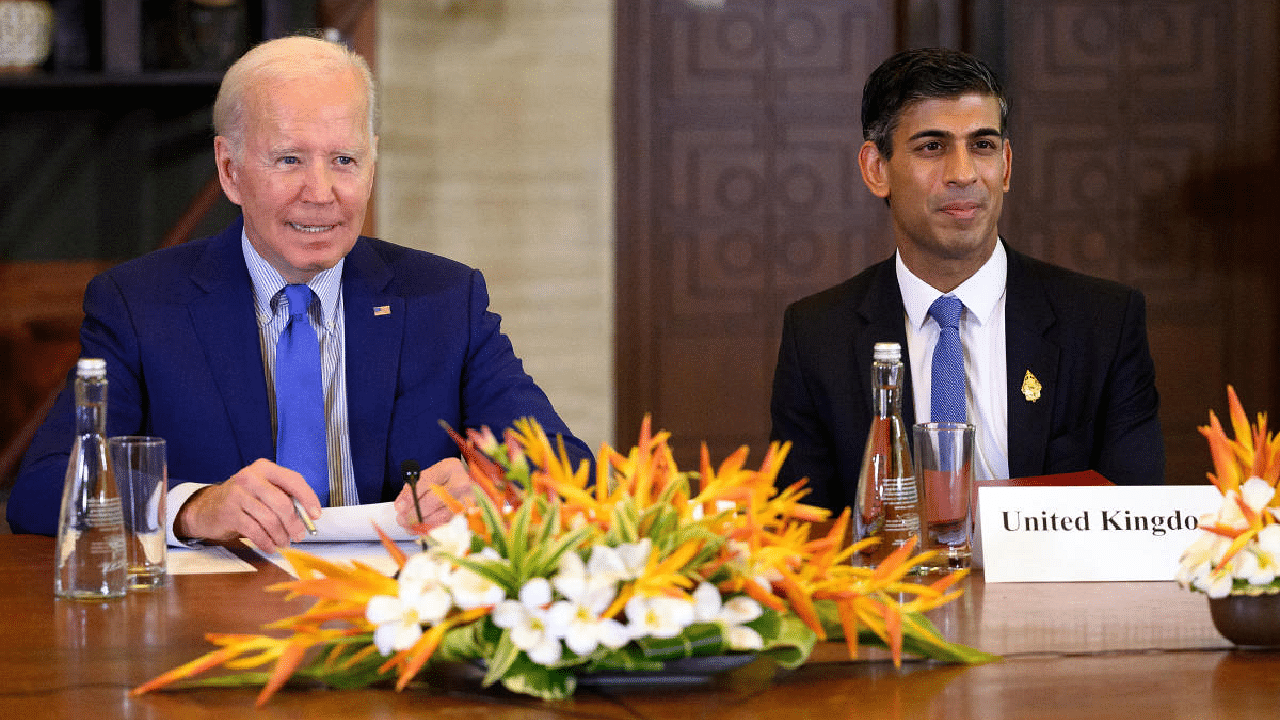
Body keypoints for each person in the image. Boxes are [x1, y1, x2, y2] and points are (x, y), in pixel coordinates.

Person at [7, 35, 592, 550]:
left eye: (344, 160)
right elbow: (42, 489)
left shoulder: (443, 299)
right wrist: (190, 508)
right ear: (230, 169)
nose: (321, 192)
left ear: (372, 163)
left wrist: (488, 484)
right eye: (289, 160)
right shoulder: (140, 304)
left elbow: (574, 471)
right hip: (215, 624)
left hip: (392, 621)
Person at [770, 47, 1165, 513]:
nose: (963, 174)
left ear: (1007, 167)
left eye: (982, 145)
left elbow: (1136, 521)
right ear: (877, 169)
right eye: (932, 147)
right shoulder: (817, 336)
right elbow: (804, 535)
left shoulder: (1103, 324)